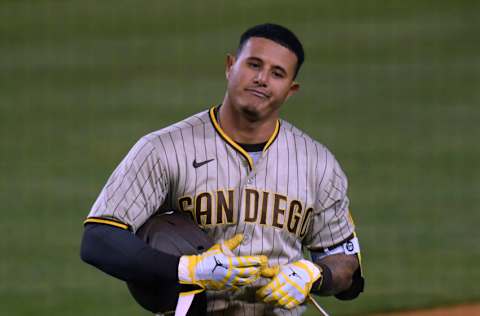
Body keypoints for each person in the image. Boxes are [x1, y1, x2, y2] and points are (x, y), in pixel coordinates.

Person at [81, 23, 364, 315]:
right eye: (254, 64)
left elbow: (347, 267)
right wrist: (187, 269)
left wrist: (314, 275)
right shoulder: (162, 149)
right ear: (230, 66)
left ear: (290, 90)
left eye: (277, 73)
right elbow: (98, 238)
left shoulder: (317, 163)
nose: (262, 79)